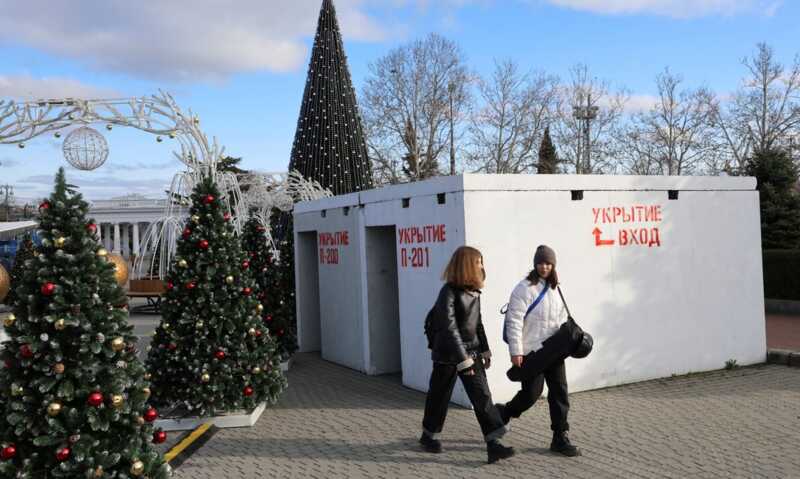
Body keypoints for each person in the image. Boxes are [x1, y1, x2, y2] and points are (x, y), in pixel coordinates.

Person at [420, 246, 515, 464]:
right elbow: (449, 328)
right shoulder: (448, 292)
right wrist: (463, 359)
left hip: (470, 352)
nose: (482, 265)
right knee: (439, 397)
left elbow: (477, 322)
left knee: (482, 397)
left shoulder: (474, 291)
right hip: (448, 355)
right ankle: (428, 436)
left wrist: (485, 349)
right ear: (467, 265)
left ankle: (494, 445)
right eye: (478, 261)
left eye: (482, 261)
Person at [496, 245, 581, 457]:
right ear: (535, 264)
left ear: (553, 265)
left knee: (560, 392)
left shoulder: (556, 288)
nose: (544, 267)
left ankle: (560, 437)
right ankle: (504, 413)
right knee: (531, 394)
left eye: (548, 263)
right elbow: (514, 321)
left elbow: (561, 319)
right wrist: (516, 352)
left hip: (554, 350)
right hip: (532, 352)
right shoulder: (524, 288)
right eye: (541, 263)